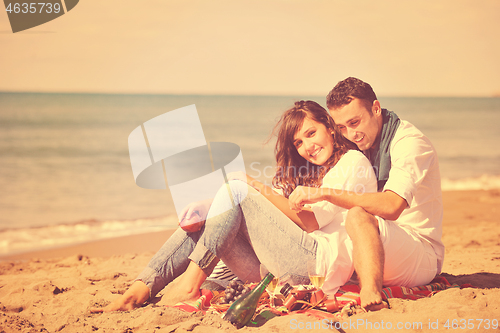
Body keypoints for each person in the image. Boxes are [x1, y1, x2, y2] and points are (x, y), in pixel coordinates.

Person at [90, 100, 377, 313]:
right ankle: (139, 289)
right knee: (221, 207)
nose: (306, 147)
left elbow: (310, 222)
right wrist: (211, 208)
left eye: (311, 134)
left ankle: (189, 285)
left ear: (329, 127)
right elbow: (272, 204)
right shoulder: (312, 172)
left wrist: (248, 183)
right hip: (283, 267)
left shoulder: (351, 162)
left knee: (237, 188)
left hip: (316, 267)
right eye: (299, 142)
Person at [289, 77, 444, 311]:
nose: (351, 134)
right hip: (380, 241)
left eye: (355, 122)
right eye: (341, 127)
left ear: (376, 108)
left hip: (419, 252)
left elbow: (392, 206)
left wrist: (324, 194)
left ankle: (370, 292)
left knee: (357, 215)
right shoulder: (363, 142)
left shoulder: (409, 144)